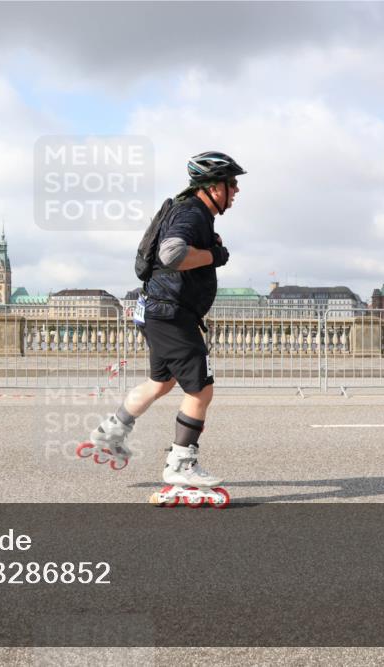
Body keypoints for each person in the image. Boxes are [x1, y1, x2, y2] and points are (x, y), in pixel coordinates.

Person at [87, 151, 245, 495]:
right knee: (201, 390)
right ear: (214, 187)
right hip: (172, 315)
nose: (235, 191)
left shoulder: (185, 209)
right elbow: (171, 255)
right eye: (231, 184)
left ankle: (111, 432)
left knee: (161, 382)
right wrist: (215, 255)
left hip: (156, 311)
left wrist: (208, 250)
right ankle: (181, 464)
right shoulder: (192, 213)